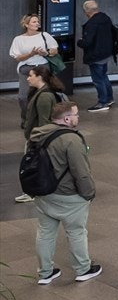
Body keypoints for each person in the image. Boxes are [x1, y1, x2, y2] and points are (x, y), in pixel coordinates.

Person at [32, 99, 100, 284]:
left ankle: (45, 273)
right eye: (76, 115)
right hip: (68, 195)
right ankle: (83, 269)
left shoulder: (37, 135)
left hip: (43, 193)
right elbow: (81, 171)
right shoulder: (71, 139)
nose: (78, 117)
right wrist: (88, 193)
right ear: (67, 119)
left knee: (45, 232)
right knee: (76, 232)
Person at [16, 65, 67, 204]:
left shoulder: (44, 96)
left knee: (33, 165)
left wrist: (38, 141)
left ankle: (32, 191)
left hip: (37, 139)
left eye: (31, 75)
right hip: (36, 137)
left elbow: (44, 122)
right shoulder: (42, 92)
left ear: (39, 77)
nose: (28, 78)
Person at [11, 14, 57, 122]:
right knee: (23, 97)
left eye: (37, 21)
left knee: (45, 94)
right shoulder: (18, 39)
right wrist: (31, 54)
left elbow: (54, 50)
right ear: (26, 24)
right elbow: (17, 57)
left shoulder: (44, 35)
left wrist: (46, 53)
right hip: (26, 68)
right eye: (34, 22)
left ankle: (45, 118)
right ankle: (26, 119)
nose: (37, 24)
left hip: (42, 67)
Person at [77, 0, 115, 112]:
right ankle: (109, 98)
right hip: (106, 53)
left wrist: (79, 42)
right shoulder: (106, 18)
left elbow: (87, 42)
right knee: (104, 76)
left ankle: (102, 102)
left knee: (98, 79)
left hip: (95, 55)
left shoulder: (91, 24)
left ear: (86, 12)